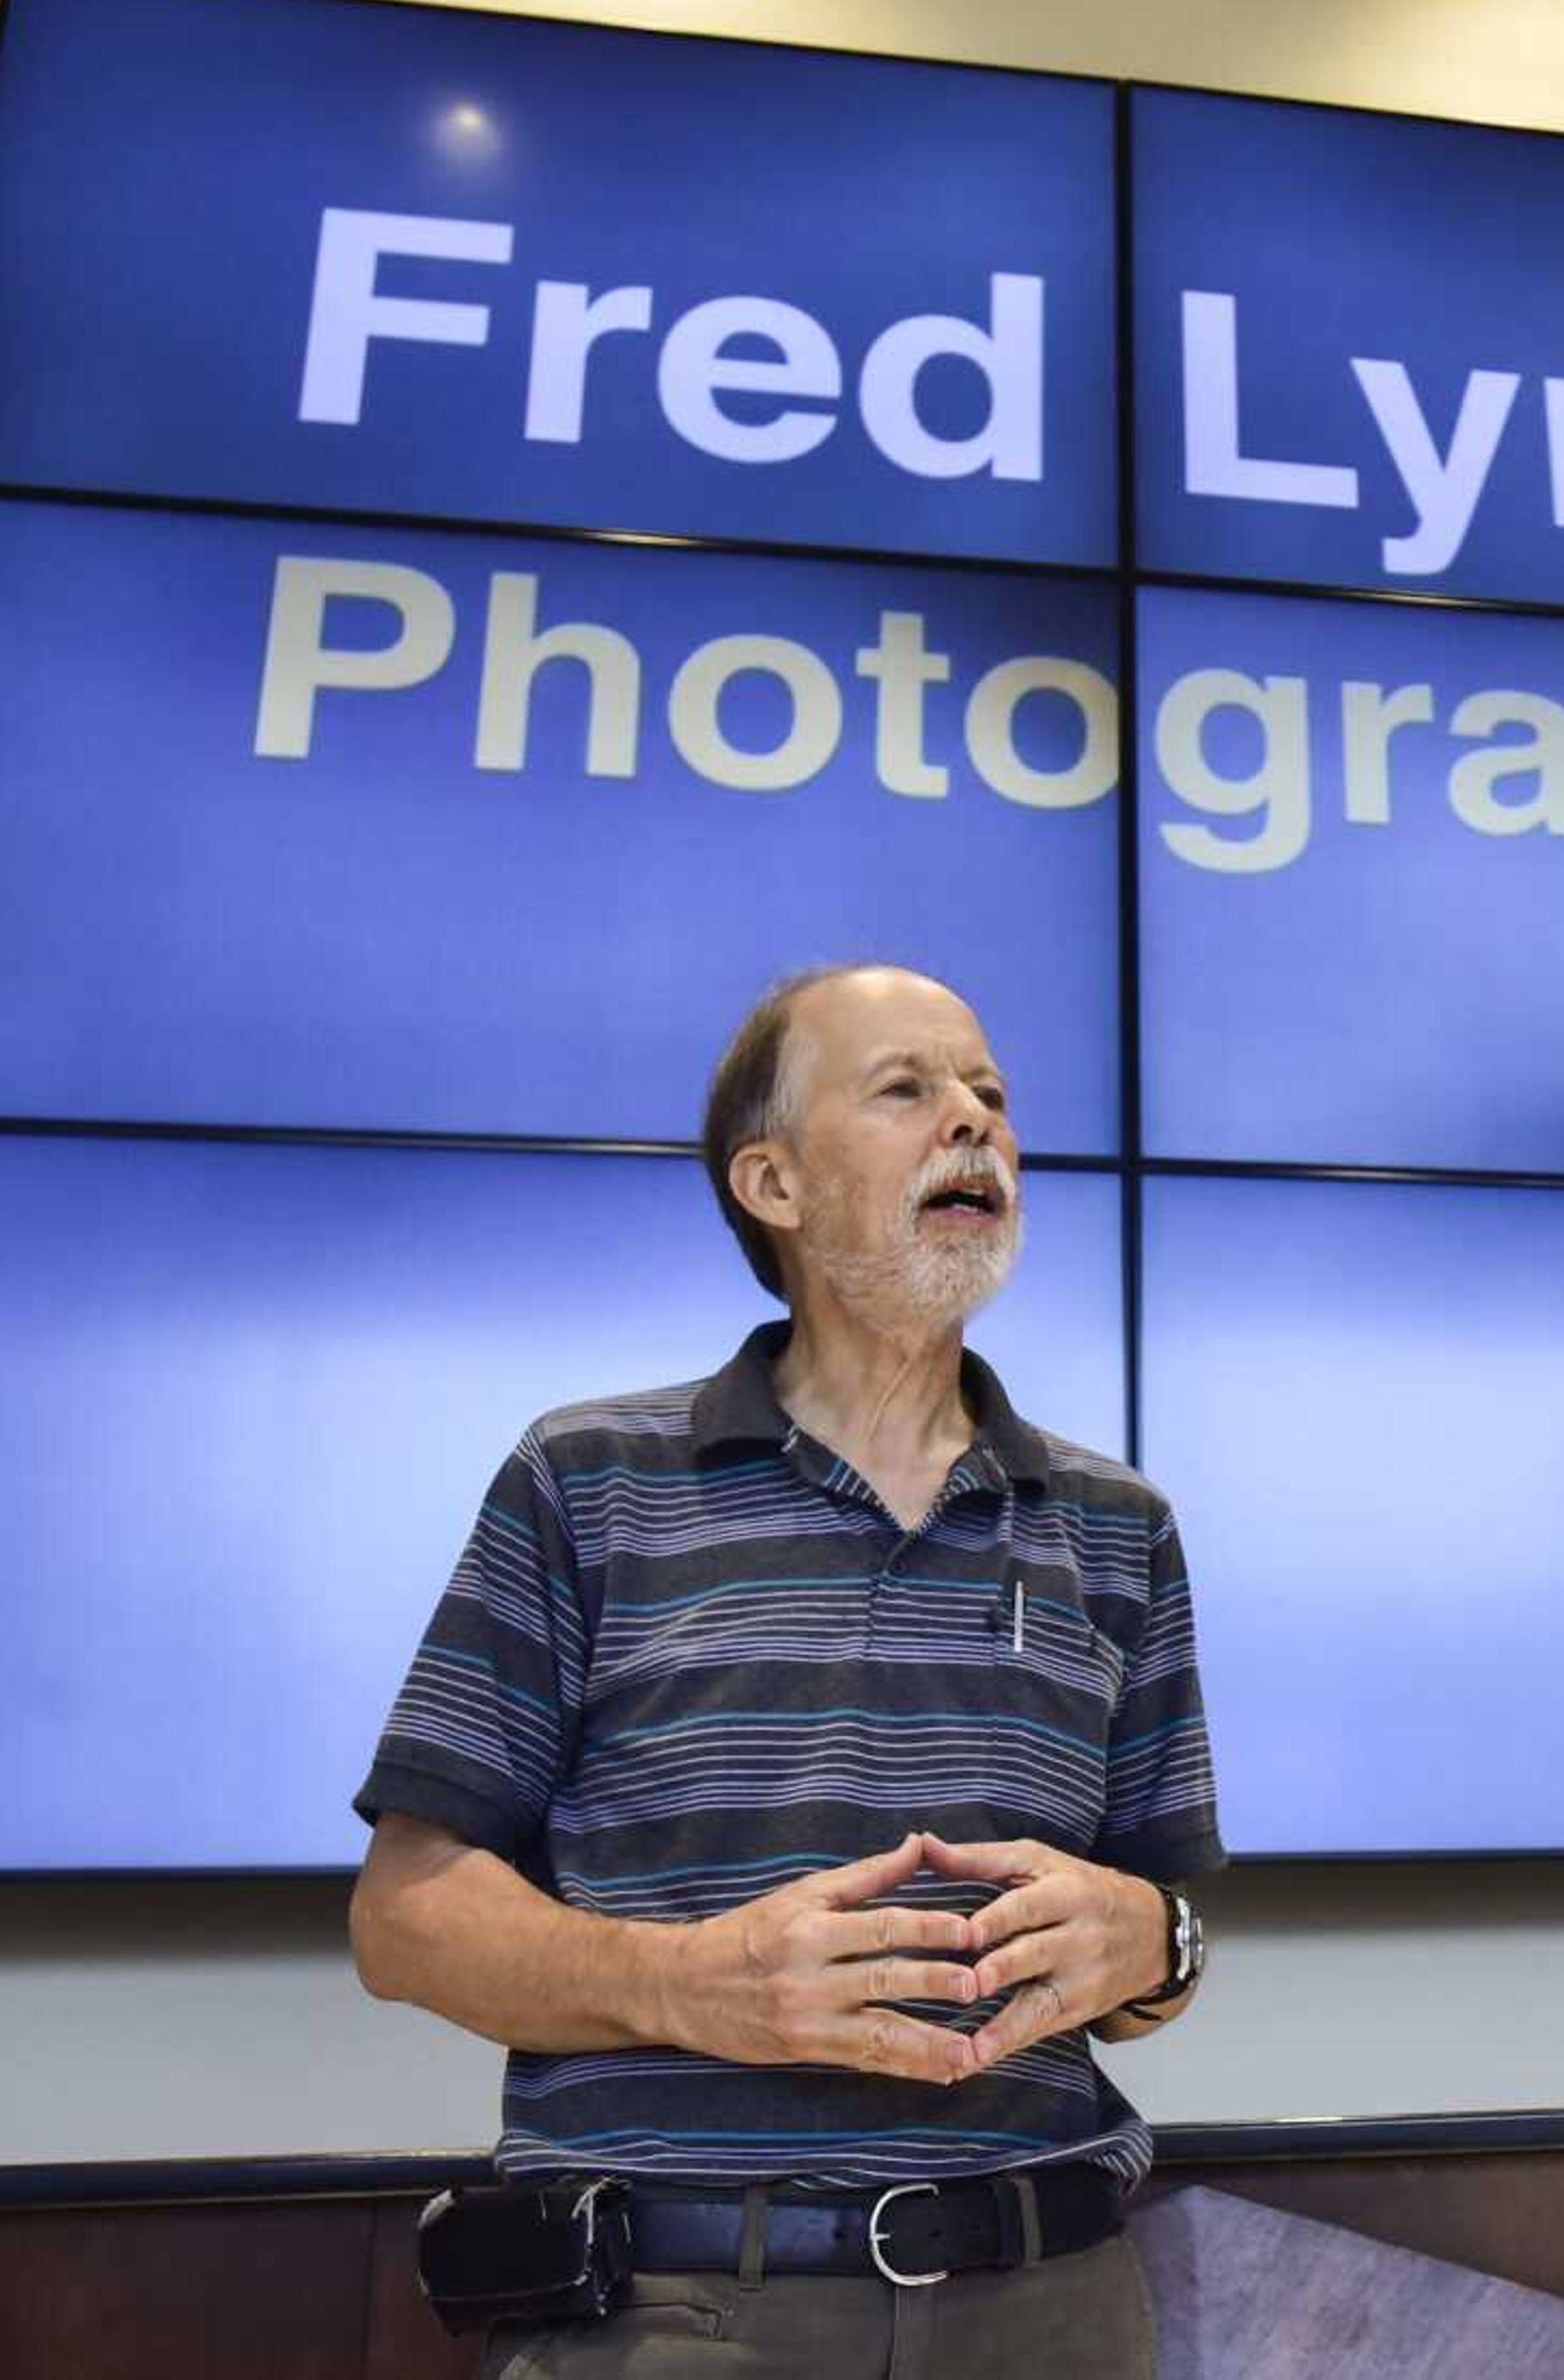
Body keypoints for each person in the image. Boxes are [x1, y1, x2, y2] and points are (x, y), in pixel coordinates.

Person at [347, 962, 1219, 2377]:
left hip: (1052, 2301)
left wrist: (1152, 1942)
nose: (975, 1123)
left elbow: (1161, 1944)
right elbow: (403, 1921)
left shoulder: (1118, 1525)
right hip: (680, 2309)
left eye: (991, 1094)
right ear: (774, 1181)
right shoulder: (588, 1479)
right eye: (908, 1089)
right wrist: (697, 1983)